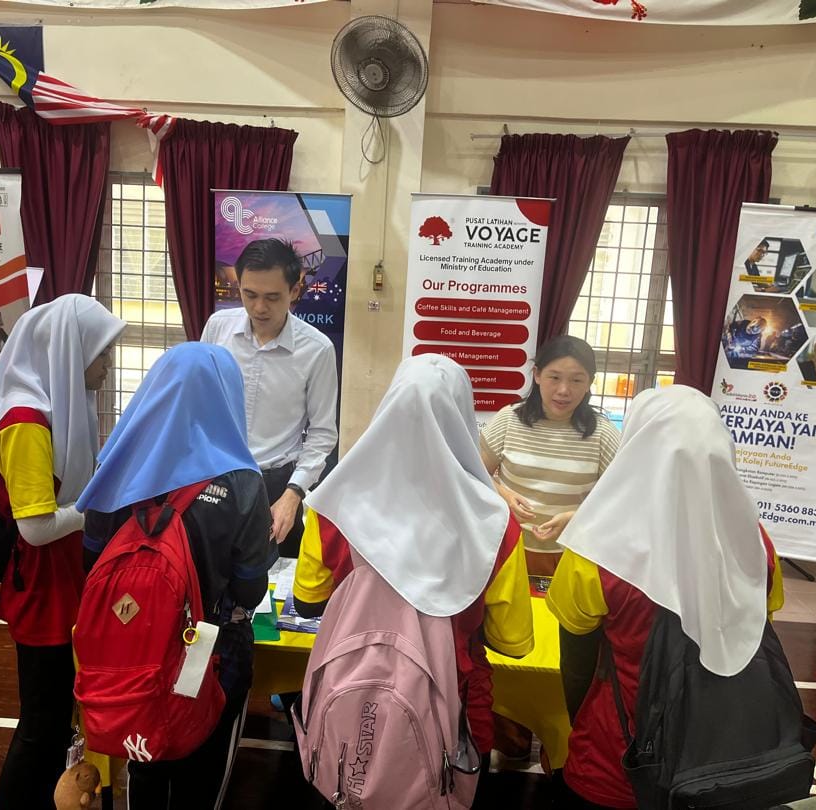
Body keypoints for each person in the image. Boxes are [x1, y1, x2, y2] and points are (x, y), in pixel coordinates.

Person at [291, 354, 534, 781]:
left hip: (349, 701)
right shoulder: (495, 525)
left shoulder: (333, 505)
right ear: (462, 419)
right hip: (451, 713)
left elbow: (308, 603)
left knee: (346, 785)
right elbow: (512, 643)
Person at [546, 385, 784, 809]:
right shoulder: (755, 544)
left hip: (617, 757)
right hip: (722, 761)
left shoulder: (595, 552)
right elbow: (752, 635)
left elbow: (577, 667)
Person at [76, 342, 276, 810]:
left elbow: (91, 562)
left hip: (130, 649)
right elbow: (250, 588)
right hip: (208, 651)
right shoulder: (243, 483)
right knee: (201, 774)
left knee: (144, 756)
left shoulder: (116, 463)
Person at [0, 294, 124, 810]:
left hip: (62, 580)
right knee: (41, 725)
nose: (107, 364)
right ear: (69, 353)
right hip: (43, 591)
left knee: (55, 723)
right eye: (101, 352)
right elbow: (35, 528)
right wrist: (99, 507)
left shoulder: (57, 411)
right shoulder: (26, 423)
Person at [201, 238, 338, 558]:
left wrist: (294, 494)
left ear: (294, 290)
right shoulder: (218, 329)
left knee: (271, 578)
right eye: (249, 294)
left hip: (275, 486)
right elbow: (198, 403)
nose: (259, 308)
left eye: (272, 297)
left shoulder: (317, 350)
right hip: (214, 474)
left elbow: (322, 433)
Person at [480, 336, 620, 588]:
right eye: (554, 377)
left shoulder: (603, 433)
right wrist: (504, 495)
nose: (564, 390)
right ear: (537, 375)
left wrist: (576, 517)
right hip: (507, 552)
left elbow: (622, 499)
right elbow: (475, 474)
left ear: (590, 382)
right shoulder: (509, 420)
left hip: (574, 559)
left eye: (576, 380)